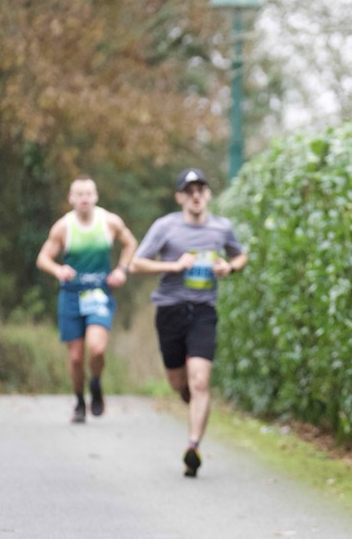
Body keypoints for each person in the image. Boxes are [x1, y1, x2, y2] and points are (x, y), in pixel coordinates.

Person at [129, 168, 247, 477]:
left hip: (203, 311)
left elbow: (240, 256)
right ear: (180, 197)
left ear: (208, 194)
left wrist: (229, 268)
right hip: (170, 310)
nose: (196, 196)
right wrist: (173, 265)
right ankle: (189, 399)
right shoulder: (165, 227)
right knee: (179, 383)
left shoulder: (222, 228)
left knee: (200, 381)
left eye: (200, 190)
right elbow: (136, 264)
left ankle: (193, 448)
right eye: (189, 191)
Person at [36, 175, 139, 423]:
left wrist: (121, 270)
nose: (84, 199)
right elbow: (43, 259)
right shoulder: (63, 227)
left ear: (96, 197)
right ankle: (80, 402)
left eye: (88, 194)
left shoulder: (110, 222)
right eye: (79, 194)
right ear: (71, 198)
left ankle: (96, 383)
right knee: (75, 358)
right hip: (71, 296)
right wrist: (58, 270)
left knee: (97, 348)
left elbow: (130, 243)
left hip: (99, 295)